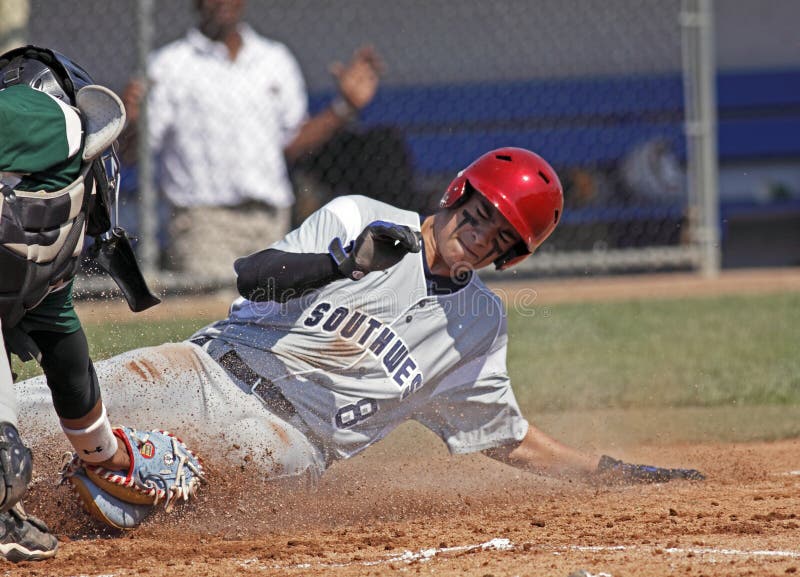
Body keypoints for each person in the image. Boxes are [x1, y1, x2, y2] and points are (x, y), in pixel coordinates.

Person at [17, 147, 704, 520]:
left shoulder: (477, 324)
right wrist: (342, 262)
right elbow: (254, 278)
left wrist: (605, 471)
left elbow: (506, 434)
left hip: (288, 445)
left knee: (115, 498)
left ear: (511, 255)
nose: (480, 238)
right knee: (30, 412)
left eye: (501, 238)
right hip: (208, 367)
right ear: (457, 193)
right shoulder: (360, 217)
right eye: (480, 215)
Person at [0, 45, 195, 562]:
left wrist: (105, 455)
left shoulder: (33, 244)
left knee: (6, 465)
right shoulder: (49, 118)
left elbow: (67, 357)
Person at [121, 0, 384, 281]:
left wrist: (343, 108)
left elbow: (293, 143)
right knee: (215, 316)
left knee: (271, 314)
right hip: (204, 224)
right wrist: (131, 122)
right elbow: (132, 154)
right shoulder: (169, 65)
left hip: (271, 220)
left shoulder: (274, 59)